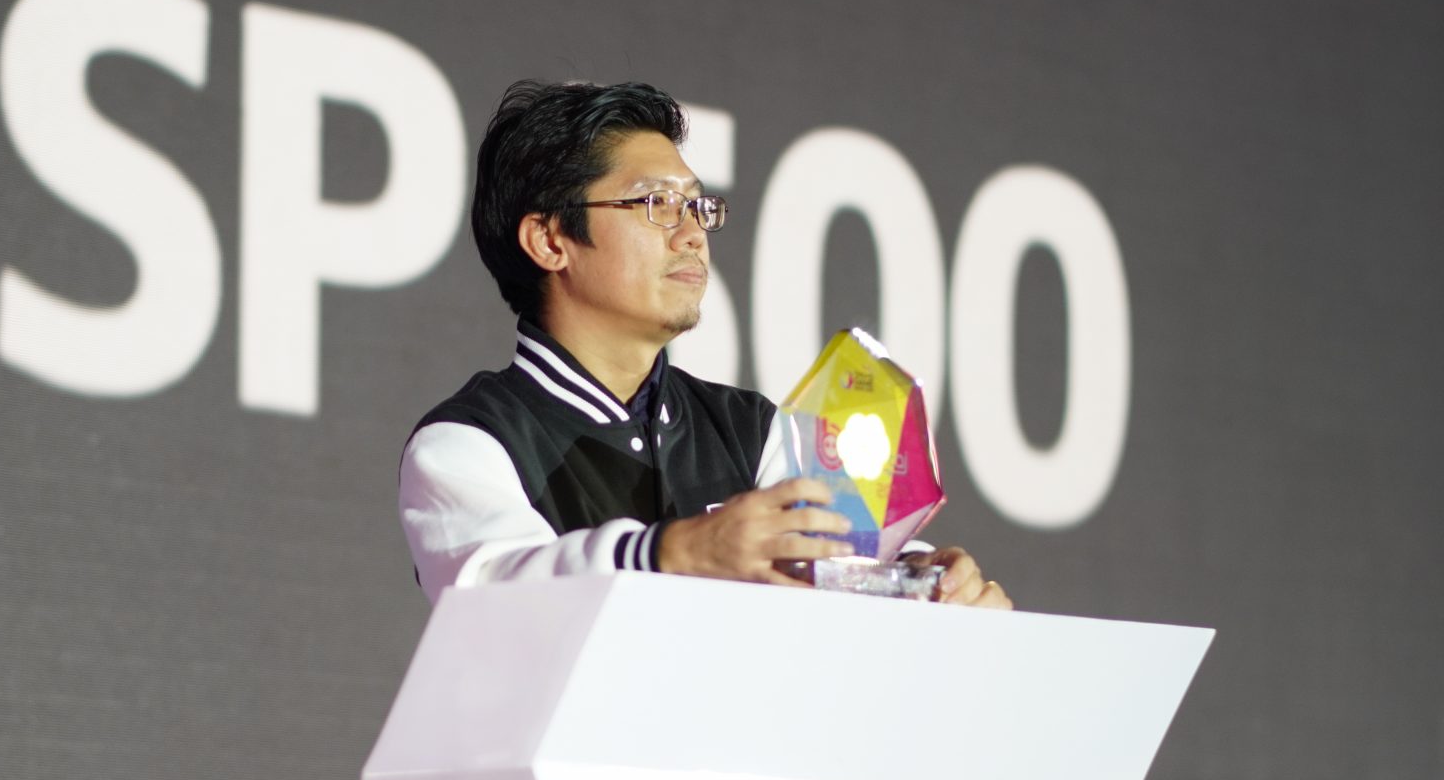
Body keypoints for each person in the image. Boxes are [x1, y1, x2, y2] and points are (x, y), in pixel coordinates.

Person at [399, 79, 1011, 610]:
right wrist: (676, 552)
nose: (693, 234)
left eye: (698, 206)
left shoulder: (753, 431)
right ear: (550, 240)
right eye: (658, 204)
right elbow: (495, 593)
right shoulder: (468, 442)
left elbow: (841, 564)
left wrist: (924, 582)